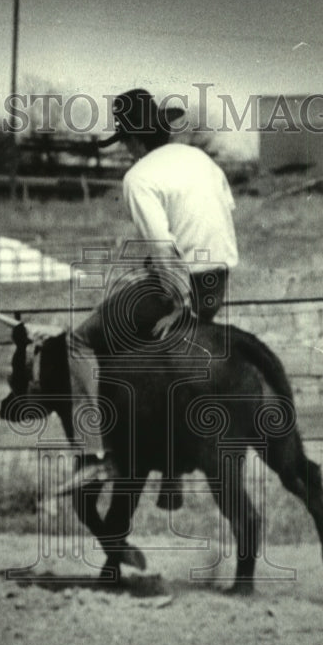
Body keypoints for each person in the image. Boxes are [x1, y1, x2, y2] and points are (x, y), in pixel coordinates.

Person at [67, 88, 239, 510]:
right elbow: (223, 213)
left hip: (181, 283)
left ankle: (93, 453)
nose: (126, 150)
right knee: (154, 358)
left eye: (125, 141)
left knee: (80, 342)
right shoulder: (201, 160)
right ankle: (171, 474)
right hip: (217, 281)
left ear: (134, 140)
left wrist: (179, 306)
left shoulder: (140, 177)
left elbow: (164, 248)